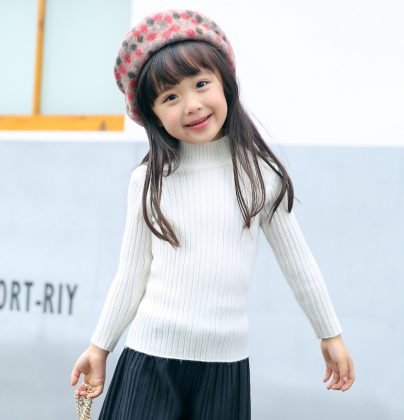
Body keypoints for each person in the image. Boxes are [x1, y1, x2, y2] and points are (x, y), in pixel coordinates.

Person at [70, 9, 355, 419]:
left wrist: (329, 332)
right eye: (170, 97)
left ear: (225, 83)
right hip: (149, 360)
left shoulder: (260, 175)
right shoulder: (149, 180)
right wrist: (100, 346)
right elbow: (130, 276)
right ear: (152, 114)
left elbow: (299, 264)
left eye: (201, 84)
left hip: (225, 367)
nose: (192, 105)